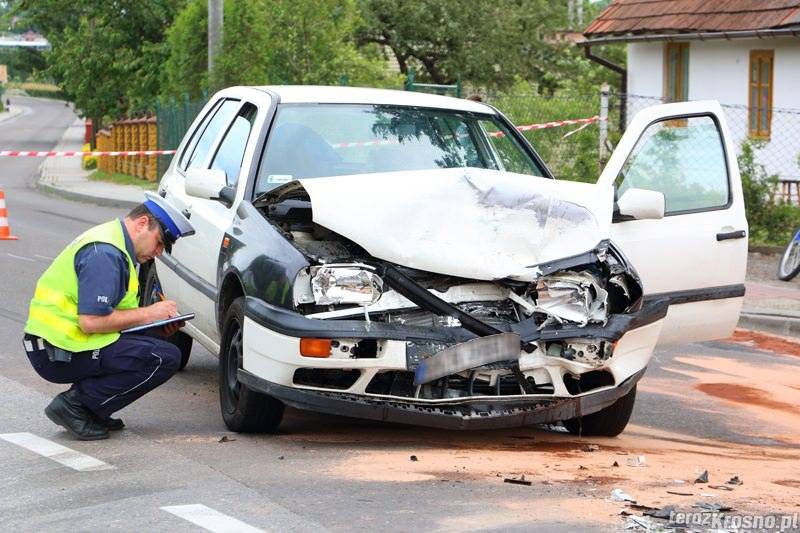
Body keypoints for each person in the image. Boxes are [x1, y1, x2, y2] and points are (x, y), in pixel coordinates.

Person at [23, 192, 195, 440]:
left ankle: (93, 407)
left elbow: (117, 316)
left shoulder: (116, 244)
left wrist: (156, 323)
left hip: (65, 343)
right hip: (56, 349)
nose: (158, 252)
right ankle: (76, 405)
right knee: (163, 357)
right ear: (142, 223)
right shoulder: (105, 253)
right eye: (159, 242)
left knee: (157, 344)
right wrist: (149, 313)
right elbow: (91, 321)